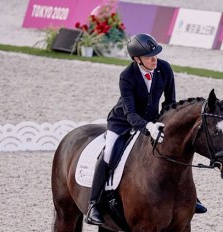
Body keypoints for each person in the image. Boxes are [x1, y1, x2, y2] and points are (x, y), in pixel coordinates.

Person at [85, 33, 207, 226]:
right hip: (123, 122)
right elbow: (130, 113)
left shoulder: (164, 68)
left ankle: (189, 199)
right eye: (149, 57)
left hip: (154, 121)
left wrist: (167, 123)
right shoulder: (127, 76)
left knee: (175, 151)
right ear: (136, 59)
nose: (154, 59)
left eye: (156, 54)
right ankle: (94, 204)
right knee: (109, 154)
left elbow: (170, 103)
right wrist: (147, 126)